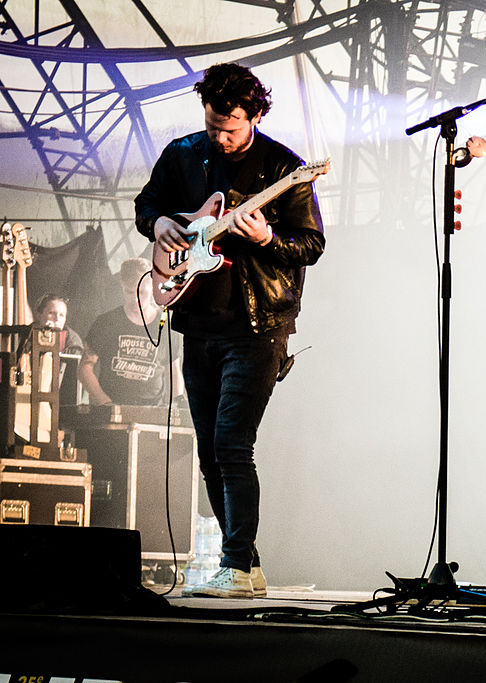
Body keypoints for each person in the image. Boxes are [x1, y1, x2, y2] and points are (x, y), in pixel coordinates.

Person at [135, 63, 325, 599]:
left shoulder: (286, 169)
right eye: (215, 125)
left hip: (259, 325)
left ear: (257, 116)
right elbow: (146, 204)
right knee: (209, 453)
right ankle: (246, 566)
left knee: (232, 445)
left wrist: (266, 238)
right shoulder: (183, 153)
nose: (221, 137)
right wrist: (160, 224)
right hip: (198, 321)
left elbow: (310, 245)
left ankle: (236, 567)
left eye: (232, 128)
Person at [78, 259, 184, 407]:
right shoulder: (106, 322)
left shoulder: (166, 325)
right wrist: (105, 402)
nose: (135, 299)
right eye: (129, 292)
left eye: (141, 292)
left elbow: (173, 371)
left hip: (152, 412)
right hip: (112, 411)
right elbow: (85, 368)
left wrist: (175, 406)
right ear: (122, 286)